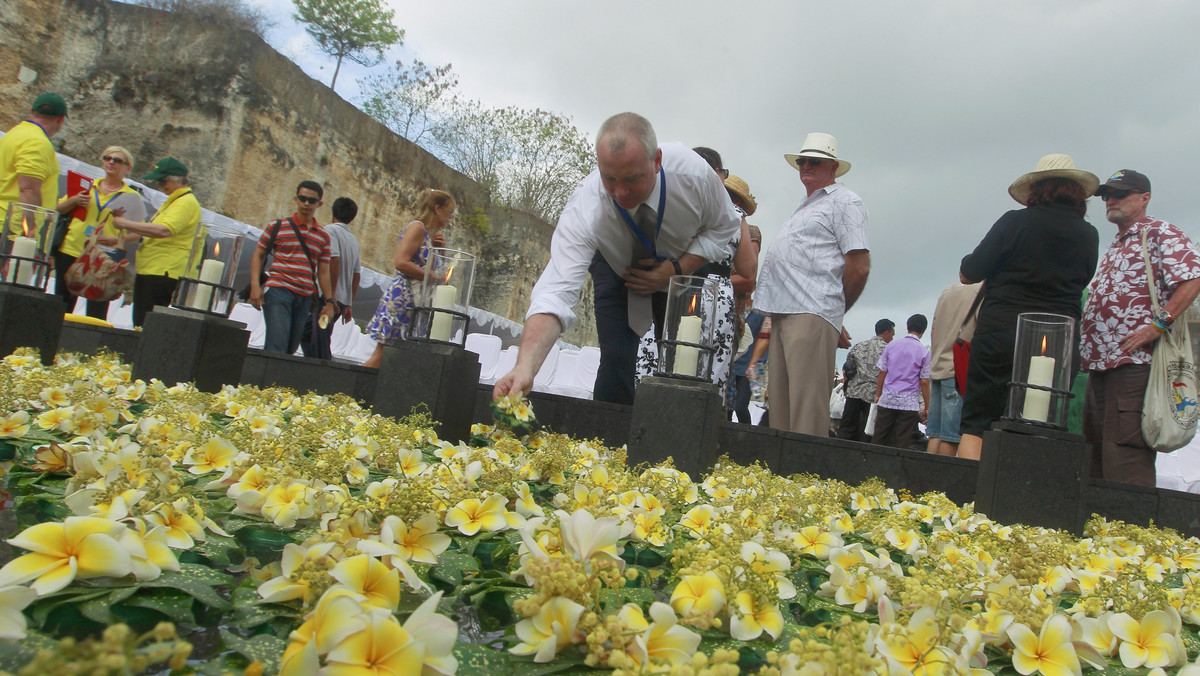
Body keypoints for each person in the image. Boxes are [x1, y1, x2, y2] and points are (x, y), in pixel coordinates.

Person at [492, 112, 740, 402]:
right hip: (616, 267)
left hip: (682, 273)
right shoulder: (585, 206)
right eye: (609, 179)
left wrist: (676, 269)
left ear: (657, 161)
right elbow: (556, 292)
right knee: (617, 358)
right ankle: (607, 441)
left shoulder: (694, 175)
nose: (620, 193)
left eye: (632, 179)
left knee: (682, 364)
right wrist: (525, 369)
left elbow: (725, 226)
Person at [957, 154, 1100, 460]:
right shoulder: (1089, 235)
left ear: (1036, 189)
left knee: (977, 423)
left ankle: (963, 500)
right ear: (1076, 193)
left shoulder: (1014, 222)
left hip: (1002, 332)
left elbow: (969, 273)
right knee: (1039, 426)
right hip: (1057, 340)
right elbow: (1084, 279)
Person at [1080, 170, 1200, 486]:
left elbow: (1192, 279)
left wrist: (1156, 327)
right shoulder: (1118, 243)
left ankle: (1130, 530)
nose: (1111, 200)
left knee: (1125, 452)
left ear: (1144, 198)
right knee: (1097, 451)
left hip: (1136, 362)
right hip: (1102, 364)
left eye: (1120, 193)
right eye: (1106, 195)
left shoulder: (1160, 232)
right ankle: (1100, 527)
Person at [754, 132, 870, 436]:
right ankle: (781, 477)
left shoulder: (845, 201)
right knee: (781, 405)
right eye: (802, 161)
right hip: (786, 310)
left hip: (811, 310)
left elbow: (858, 267)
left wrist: (832, 311)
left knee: (805, 408)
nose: (806, 166)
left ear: (832, 167)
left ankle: (805, 476)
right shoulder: (806, 205)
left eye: (814, 161)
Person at [635, 149, 756, 403]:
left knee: (659, 358)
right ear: (717, 173)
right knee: (707, 368)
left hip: (671, 289)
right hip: (715, 295)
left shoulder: (672, 201)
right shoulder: (735, 215)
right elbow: (749, 270)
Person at [362, 189, 456, 368]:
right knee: (382, 356)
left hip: (414, 303)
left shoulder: (431, 237)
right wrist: (430, 276)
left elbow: (438, 271)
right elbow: (401, 262)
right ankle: (352, 392)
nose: (450, 217)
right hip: (402, 298)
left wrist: (440, 251)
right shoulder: (417, 227)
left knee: (397, 360)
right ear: (437, 209)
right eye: (449, 212)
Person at [52, 146, 145, 318]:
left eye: (117, 160)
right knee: (61, 301)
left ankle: (89, 344)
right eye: (107, 158)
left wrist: (118, 240)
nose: (111, 162)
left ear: (127, 167)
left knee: (97, 306)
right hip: (72, 247)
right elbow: (58, 208)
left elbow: (138, 232)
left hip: (105, 256)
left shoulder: (132, 197)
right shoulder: (88, 186)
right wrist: (74, 200)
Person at [248, 180, 336, 354]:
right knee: (277, 343)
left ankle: (275, 381)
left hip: (305, 295)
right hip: (279, 289)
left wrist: (329, 301)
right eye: (302, 198)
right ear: (296, 199)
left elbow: (324, 271)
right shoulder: (277, 226)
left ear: (319, 204)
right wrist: (255, 286)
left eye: (311, 200)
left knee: (291, 347)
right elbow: (259, 255)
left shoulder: (323, 236)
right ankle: (266, 380)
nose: (306, 203)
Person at [112, 157, 202, 327]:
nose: (160, 186)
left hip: (162, 271)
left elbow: (163, 230)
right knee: (142, 322)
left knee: (147, 325)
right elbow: (152, 231)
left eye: (162, 181)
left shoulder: (185, 202)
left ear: (178, 179)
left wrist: (124, 223)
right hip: (153, 269)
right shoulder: (175, 202)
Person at [925, 282, 981, 456]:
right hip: (958, 369)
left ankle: (924, 481)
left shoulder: (947, 292)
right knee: (950, 437)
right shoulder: (982, 291)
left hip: (938, 367)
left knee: (935, 435)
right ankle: (941, 482)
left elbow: (933, 332)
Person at [302, 196, 361, 359]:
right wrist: (349, 303)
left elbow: (334, 259)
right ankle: (310, 366)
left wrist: (331, 295)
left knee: (320, 338)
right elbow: (356, 275)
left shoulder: (330, 231)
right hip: (341, 299)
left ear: (333, 212)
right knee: (306, 331)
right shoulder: (354, 241)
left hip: (327, 297)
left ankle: (322, 372)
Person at [0, 93, 67, 223]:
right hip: (11, 227)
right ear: (60, 119)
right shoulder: (38, 142)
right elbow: (29, 190)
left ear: (32, 111)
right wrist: (30, 230)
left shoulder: (14, 133)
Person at [872, 314, 931, 449]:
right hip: (908, 404)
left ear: (907, 327)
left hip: (888, 399)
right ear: (924, 330)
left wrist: (878, 394)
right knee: (901, 442)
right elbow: (924, 382)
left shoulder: (892, 345)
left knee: (879, 437)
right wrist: (927, 406)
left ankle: (871, 465)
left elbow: (882, 372)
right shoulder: (924, 352)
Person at [837, 319, 895, 442]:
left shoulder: (859, 345)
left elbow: (848, 367)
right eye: (892, 334)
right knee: (868, 432)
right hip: (874, 396)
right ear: (886, 333)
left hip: (854, 392)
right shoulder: (890, 350)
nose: (892, 338)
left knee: (847, 429)